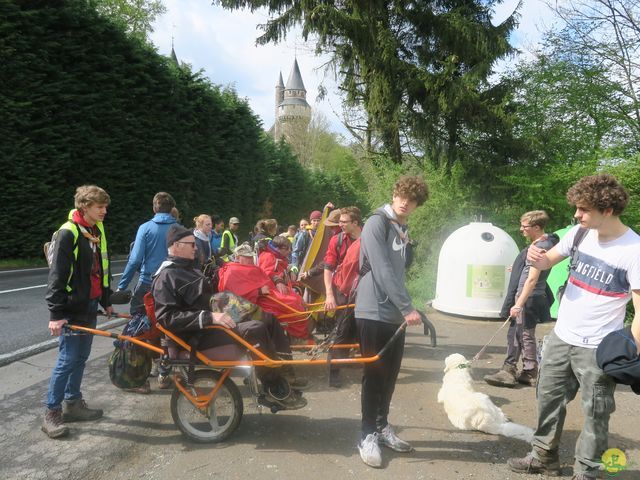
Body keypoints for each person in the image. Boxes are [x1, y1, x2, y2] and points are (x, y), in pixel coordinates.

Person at [507, 174, 640, 480]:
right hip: (560, 338)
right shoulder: (579, 234)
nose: (576, 215)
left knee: (596, 412)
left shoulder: (634, 250)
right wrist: (534, 257)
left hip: (598, 348)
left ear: (606, 210)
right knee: (547, 399)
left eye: (583, 209)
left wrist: (633, 351)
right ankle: (543, 458)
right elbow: (546, 262)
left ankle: (587, 472)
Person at [151, 225, 307, 410]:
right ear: (176, 246)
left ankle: (285, 372)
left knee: (268, 317)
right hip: (196, 333)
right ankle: (274, 388)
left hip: (210, 320)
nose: (196, 248)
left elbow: (203, 296)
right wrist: (209, 317)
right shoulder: (166, 276)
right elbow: (166, 318)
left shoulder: (186, 268)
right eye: (191, 244)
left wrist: (225, 304)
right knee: (255, 329)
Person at [355, 175, 428, 468]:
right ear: (394, 193)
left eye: (411, 200)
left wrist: (406, 306)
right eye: (401, 196)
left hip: (394, 313)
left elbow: (399, 271)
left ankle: (382, 427)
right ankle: (366, 434)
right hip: (373, 310)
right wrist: (408, 306)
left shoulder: (401, 227)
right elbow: (383, 269)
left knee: (391, 374)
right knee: (374, 374)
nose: (405, 202)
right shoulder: (377, 222)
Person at [42, 185, 113, 439]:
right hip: (72, 308)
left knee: (81, 356)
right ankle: (52, 412)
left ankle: (73, 403)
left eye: (105, 206)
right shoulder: (68, 233)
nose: (104, 211)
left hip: (90, 304)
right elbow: (57, 277)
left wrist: (106, 300)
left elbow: (101, 268)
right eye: (100, 207)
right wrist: (56, 314)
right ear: (85, 206)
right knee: (68, 358)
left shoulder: (96, 228)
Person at [484, 210, 559, 388]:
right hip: (528, 296)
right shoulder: (540, 243)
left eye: (524, 226)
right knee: (518, 333)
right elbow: (529, 271)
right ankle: (517, 370)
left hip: (528, 297)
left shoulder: (542, 247)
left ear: (537, 227)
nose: (521, 229)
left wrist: (518, 304)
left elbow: (532, 279)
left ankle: (527, 372)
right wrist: (518, 268)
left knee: (523, 334)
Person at [116, 192, 177, 315]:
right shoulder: (180, 229)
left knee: (138, 323)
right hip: (171, 285)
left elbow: (135, 260)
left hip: (147, 283)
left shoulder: (145, 228)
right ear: (172, 209)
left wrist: (121, 287)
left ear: (154, 208)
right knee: (167, 324)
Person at [322, 207, 363, 388]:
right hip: (343, 290)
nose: (340, 224)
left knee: (360, 328)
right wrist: (329, 295)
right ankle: (334, 372)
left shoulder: (369, 240)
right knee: (342, 330)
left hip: (364, 291)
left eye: (344, 222)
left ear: (355, 223)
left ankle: (347, 360)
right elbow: (328, 268)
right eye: (340, 221)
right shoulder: (336, 241)